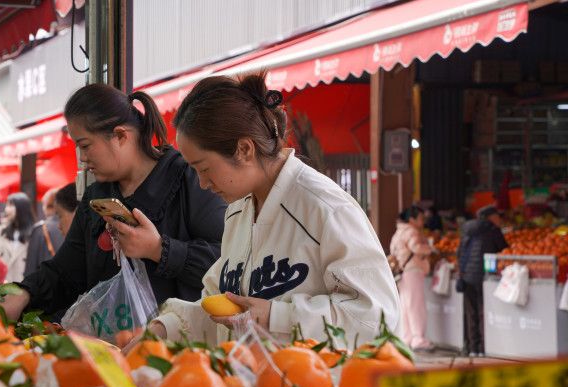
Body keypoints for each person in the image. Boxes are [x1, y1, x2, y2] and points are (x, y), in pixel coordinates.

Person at [140, 73, 399, 345]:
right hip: (252, 381)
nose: (203, 184)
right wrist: (165, 328)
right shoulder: (238, 211)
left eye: (204, 169)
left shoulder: (326, 209)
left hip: (318, 384)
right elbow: (221, 307)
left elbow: (375, 319)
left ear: (244, 149)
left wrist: (277, 316)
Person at [1, 83, 226, 321]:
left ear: (120, 136)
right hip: (109, 350)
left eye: (86, 146)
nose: (83, 159)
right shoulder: (96, 196)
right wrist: (24, 292)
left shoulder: (188, 177)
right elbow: (66, 272)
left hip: (178, 347)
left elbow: (225, 261)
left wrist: (159, 250)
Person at [456, 205, 508, 357]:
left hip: (467, 277)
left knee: (471, 312)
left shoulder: (467, 230)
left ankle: (473, 348)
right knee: (483, 312)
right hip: (484, 277)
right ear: (491, 217)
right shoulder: (492, 231)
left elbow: (459, 253)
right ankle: (484, 348)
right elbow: (504, 250)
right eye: (497, 216)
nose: (499, 219)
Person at [389, 206, 434, 351]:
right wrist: (429, 248)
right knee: (416, 306)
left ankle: (406, 337)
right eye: (420, 218)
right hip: (413, 270)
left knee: (406, 305)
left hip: (402, 272)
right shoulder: (412, 232)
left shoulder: (399, 231)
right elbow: (416, 248)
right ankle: (418, 339)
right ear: (412, 219)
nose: (422, 222)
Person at [23, 184, 74, 278]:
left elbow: (30, 270)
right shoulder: (74, 226)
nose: (59, 226)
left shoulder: (40, 229)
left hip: (45, 285)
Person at [0, 193, 36, 283]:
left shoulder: (34, 232)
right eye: (7, 205)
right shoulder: (1, 230)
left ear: (22, 208)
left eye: (11, 205)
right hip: (3, 286)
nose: (6, 209)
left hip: (25, 288)